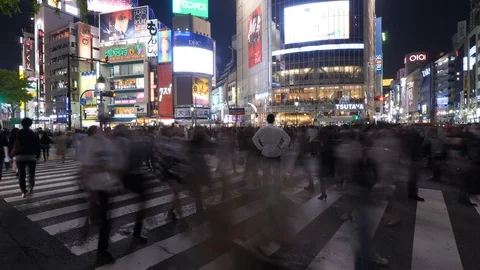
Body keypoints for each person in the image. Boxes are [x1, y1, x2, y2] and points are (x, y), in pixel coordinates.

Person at [252, 114, 291, 195]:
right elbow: (288, 139)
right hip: (276, 152)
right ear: (274, 120)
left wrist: (260, 147)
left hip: (265, 152)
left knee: (265, 173)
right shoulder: (279, 129)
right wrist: (282, 147)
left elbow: (254, 138)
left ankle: (265, 190)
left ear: (267, 120)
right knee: (277, 173)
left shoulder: (263, 129)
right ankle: (277, 190)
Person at [11, 118, 40, 198]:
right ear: (30, 124)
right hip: (32, 156)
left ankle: (23, 190)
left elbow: (13, 144)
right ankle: (31, 186)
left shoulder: (18, 133)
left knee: (21, 174)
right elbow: (38, 146)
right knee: (31, 173)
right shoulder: (34, 134)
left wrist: (12, 154)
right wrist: (37, 156)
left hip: (20, 157)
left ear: (22, 124)